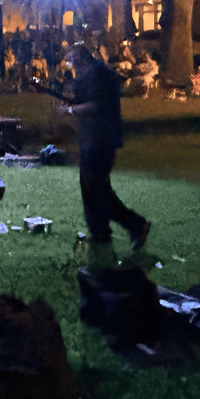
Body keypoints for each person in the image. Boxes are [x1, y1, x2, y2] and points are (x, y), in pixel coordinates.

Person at [62, 44, 150, 256]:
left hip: (101, 140)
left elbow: (96, 106)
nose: (71, 67)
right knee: (90, 187)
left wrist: (72, 109)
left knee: (97, 189)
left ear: (81, 59)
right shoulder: (92, 75)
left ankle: (136, 225)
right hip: (92, 140)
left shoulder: (98, 76)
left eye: (72, 62)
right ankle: (100, 231)